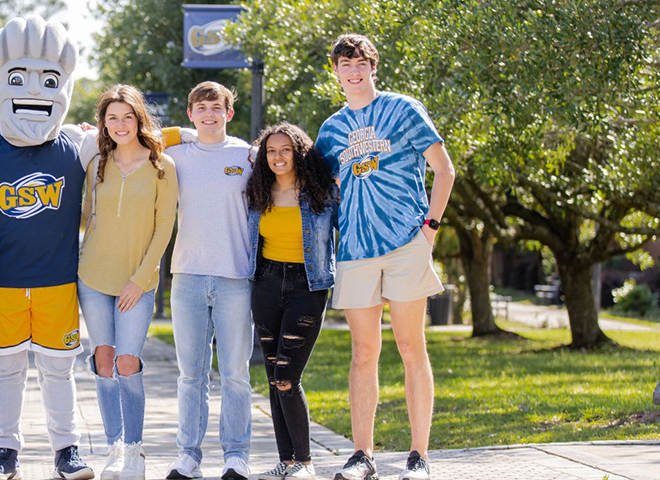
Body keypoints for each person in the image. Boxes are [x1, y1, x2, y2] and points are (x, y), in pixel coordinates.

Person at [315, 34, 455, 480]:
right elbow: (322, 193)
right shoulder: (331, 131)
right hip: (354, 250)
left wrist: (430, 227)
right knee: (363, 352)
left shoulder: (403, 109)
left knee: (412, 347)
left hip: (404, 245)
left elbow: (444, 169)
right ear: (335, 71)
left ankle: (419, 457)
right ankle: (362, 456)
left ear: (373, 67)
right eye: (344, 64)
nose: (353, 71)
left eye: (360, 63)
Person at [0, 15, 94, 480]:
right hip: (0, 281)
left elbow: (137, 142)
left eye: (48, 79)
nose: (34, 90)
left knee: (59, 372)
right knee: (6, 373)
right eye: (18, 79)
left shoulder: (77, 145)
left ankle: (67, 451)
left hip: (57, 282)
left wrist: (209, 141)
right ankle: (5, 451)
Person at [78, 85, 178, 480]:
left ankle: (135, 450)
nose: (120, 124)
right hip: (92, 277)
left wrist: (141, 279)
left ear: (139, 120)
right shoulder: (96, 165)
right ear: (103, 122)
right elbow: (86, 217)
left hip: (137, 282)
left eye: (127, 117)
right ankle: (113, 448)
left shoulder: (162, 166)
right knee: (103, 362)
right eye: (112, 117)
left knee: (127, 361)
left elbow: (164, 227)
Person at [163, 81, 255, 480]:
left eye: (216, 107)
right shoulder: (175, 154)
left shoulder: (248, 155)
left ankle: (236, 455)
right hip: (187, 277)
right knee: (190, 375)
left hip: (236, 276)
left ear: (228, 113)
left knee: (235, 373)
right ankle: (189, 455)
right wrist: (182, 134)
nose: (209, 114)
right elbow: (139, 134)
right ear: (191, 114)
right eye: (201, 108)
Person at [245, 123, 337, 480]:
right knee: (272, 377)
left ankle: (306, 462)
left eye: (285, 149)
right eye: (271, 151)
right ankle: (287, 462)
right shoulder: (258, 193)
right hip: (266, 283)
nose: (278, 156)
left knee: (286, 375)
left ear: (299, 153)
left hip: (308, 287)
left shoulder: (322, 193)